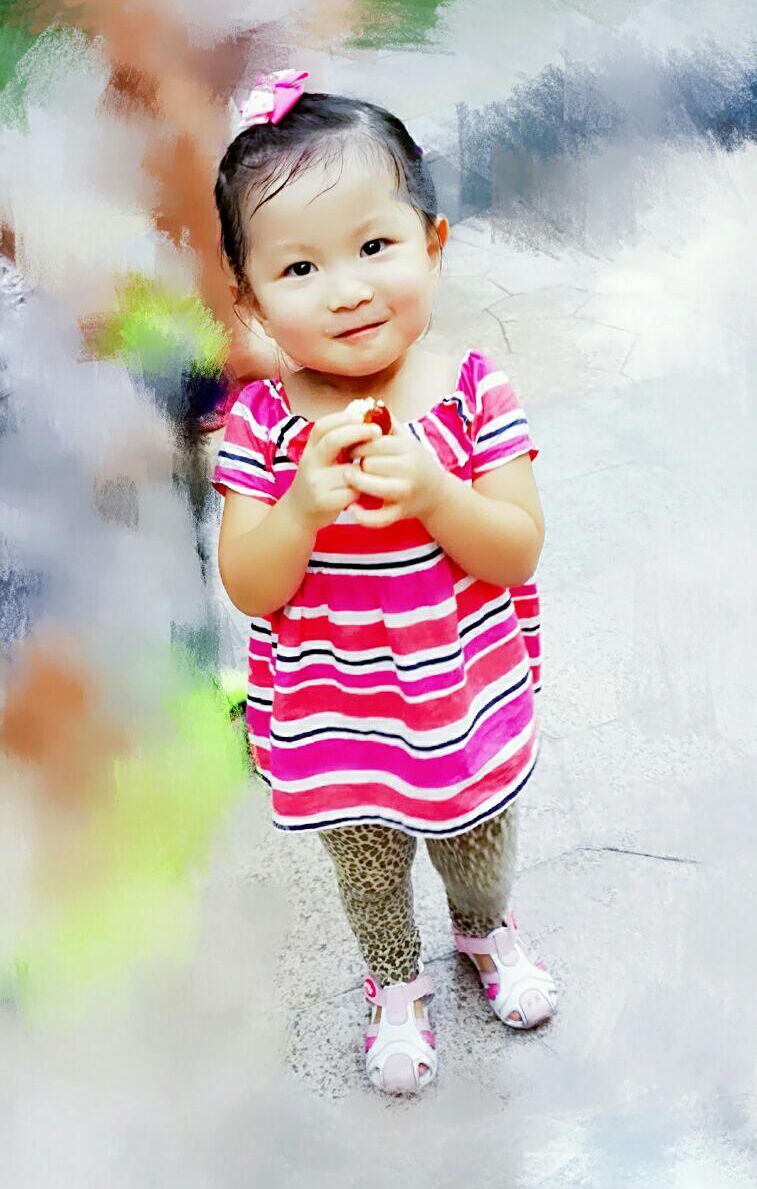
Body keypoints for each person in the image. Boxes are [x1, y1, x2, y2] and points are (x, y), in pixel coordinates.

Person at [211, 73, 559, 1095]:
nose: (347, 289)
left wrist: (439, 493)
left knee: (478, 842)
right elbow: (251, 586)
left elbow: (515, 549)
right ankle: (394, 981)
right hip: (340, 720)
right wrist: (297, 512)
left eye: (374, 246)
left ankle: (483, 931)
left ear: (432, 244)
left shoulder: (472, 395)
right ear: (250, 297)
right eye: (300, 266)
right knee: (367, 867)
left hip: (460, 701)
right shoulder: (263, 429)